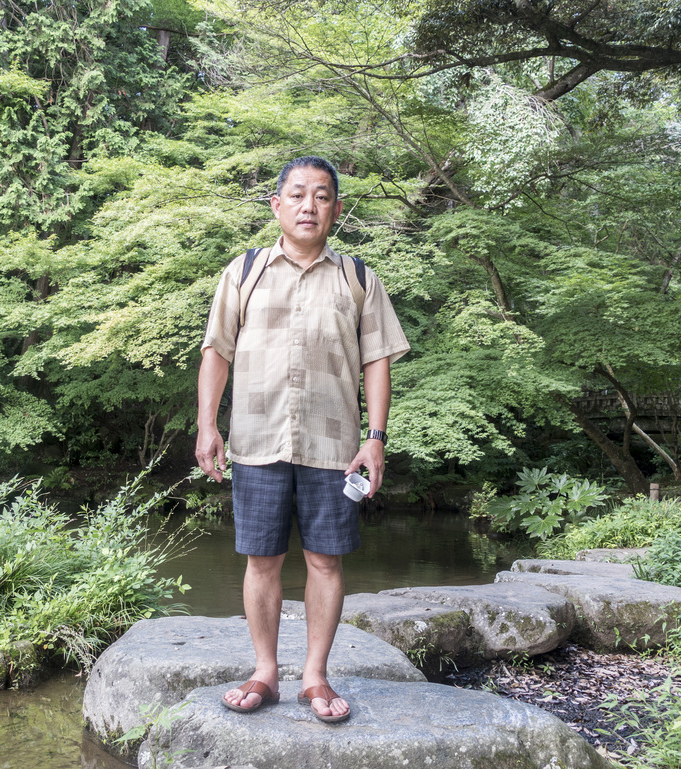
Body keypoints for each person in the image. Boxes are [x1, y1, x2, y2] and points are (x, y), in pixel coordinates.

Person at [194, 156, 410, 724]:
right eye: (296, 194)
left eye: (321, 196)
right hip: (257, 439)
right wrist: (207, 425)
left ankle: (315, 675)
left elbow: (378, 361)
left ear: (335, 209)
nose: (308, 206)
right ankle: (265, 671)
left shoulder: (358, 278)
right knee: (261, 560)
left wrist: (376, 437)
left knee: (325, 561)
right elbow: (216, 350)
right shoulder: (243, 272)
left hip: (334, 447)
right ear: (277, 205)